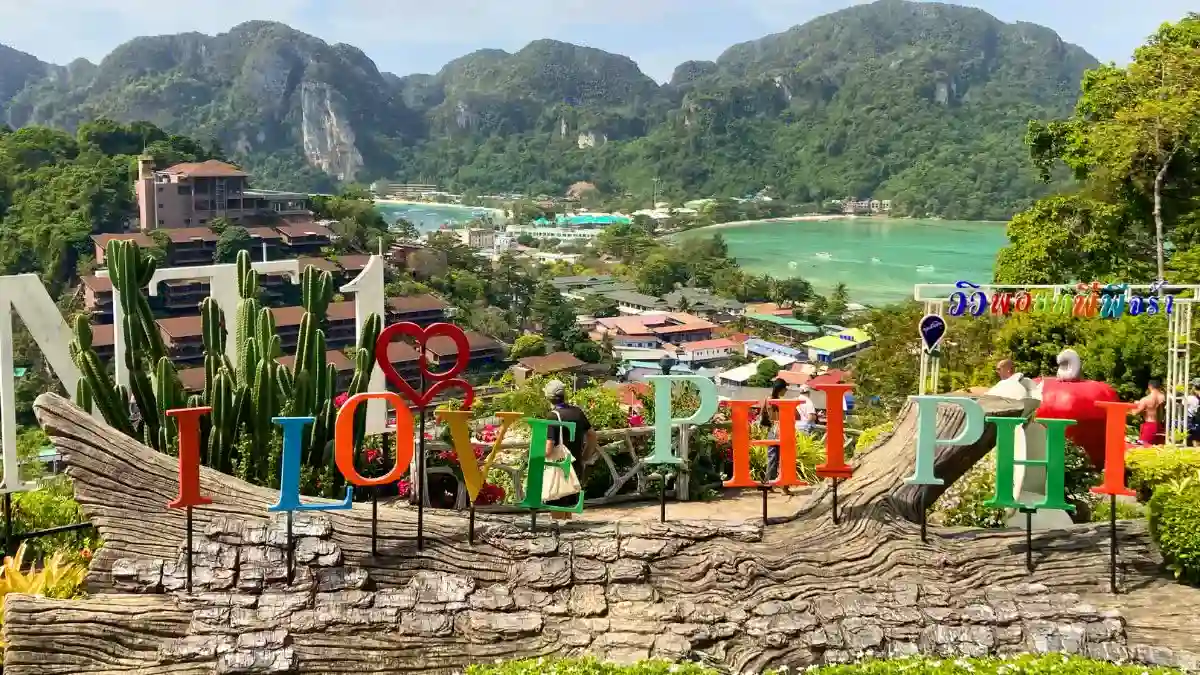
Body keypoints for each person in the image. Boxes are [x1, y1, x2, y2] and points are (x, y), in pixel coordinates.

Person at [543, 380, 595, 519]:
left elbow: (548, 448)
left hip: (558, 467)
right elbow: (591, 435)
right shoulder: (577, 412)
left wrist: (537, 457)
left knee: (557, 503)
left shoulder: (553, 416)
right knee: (568, 507)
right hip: (575, 466)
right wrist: (585, 456)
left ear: (548, 397)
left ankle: (560, 535)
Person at [762, 378, 793, 495]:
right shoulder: (781, 402)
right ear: (781, 389)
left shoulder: (767, 399)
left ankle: (768, 484)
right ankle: (784, 487)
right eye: (785, 388)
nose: (786, 391)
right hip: (781, 430)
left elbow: (763, 416)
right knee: (785, 458)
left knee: (772, 458)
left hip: (772, 431)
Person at [1132, 379, 1166, 446]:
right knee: (1160, 450)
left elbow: (1135, 413)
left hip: (1149, 426)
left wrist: (1135, 405)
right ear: (1160, 387)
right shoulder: (1164, 397)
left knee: (1143, 448)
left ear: (1149, 386)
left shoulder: (1145, 399)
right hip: (1161, 426)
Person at [1187, 380, 1200, 447]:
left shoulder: (1192, 397)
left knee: (1195, 434)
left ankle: (1196, 447)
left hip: (1196, 419)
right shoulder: (1195, 397)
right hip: (1196, 418)